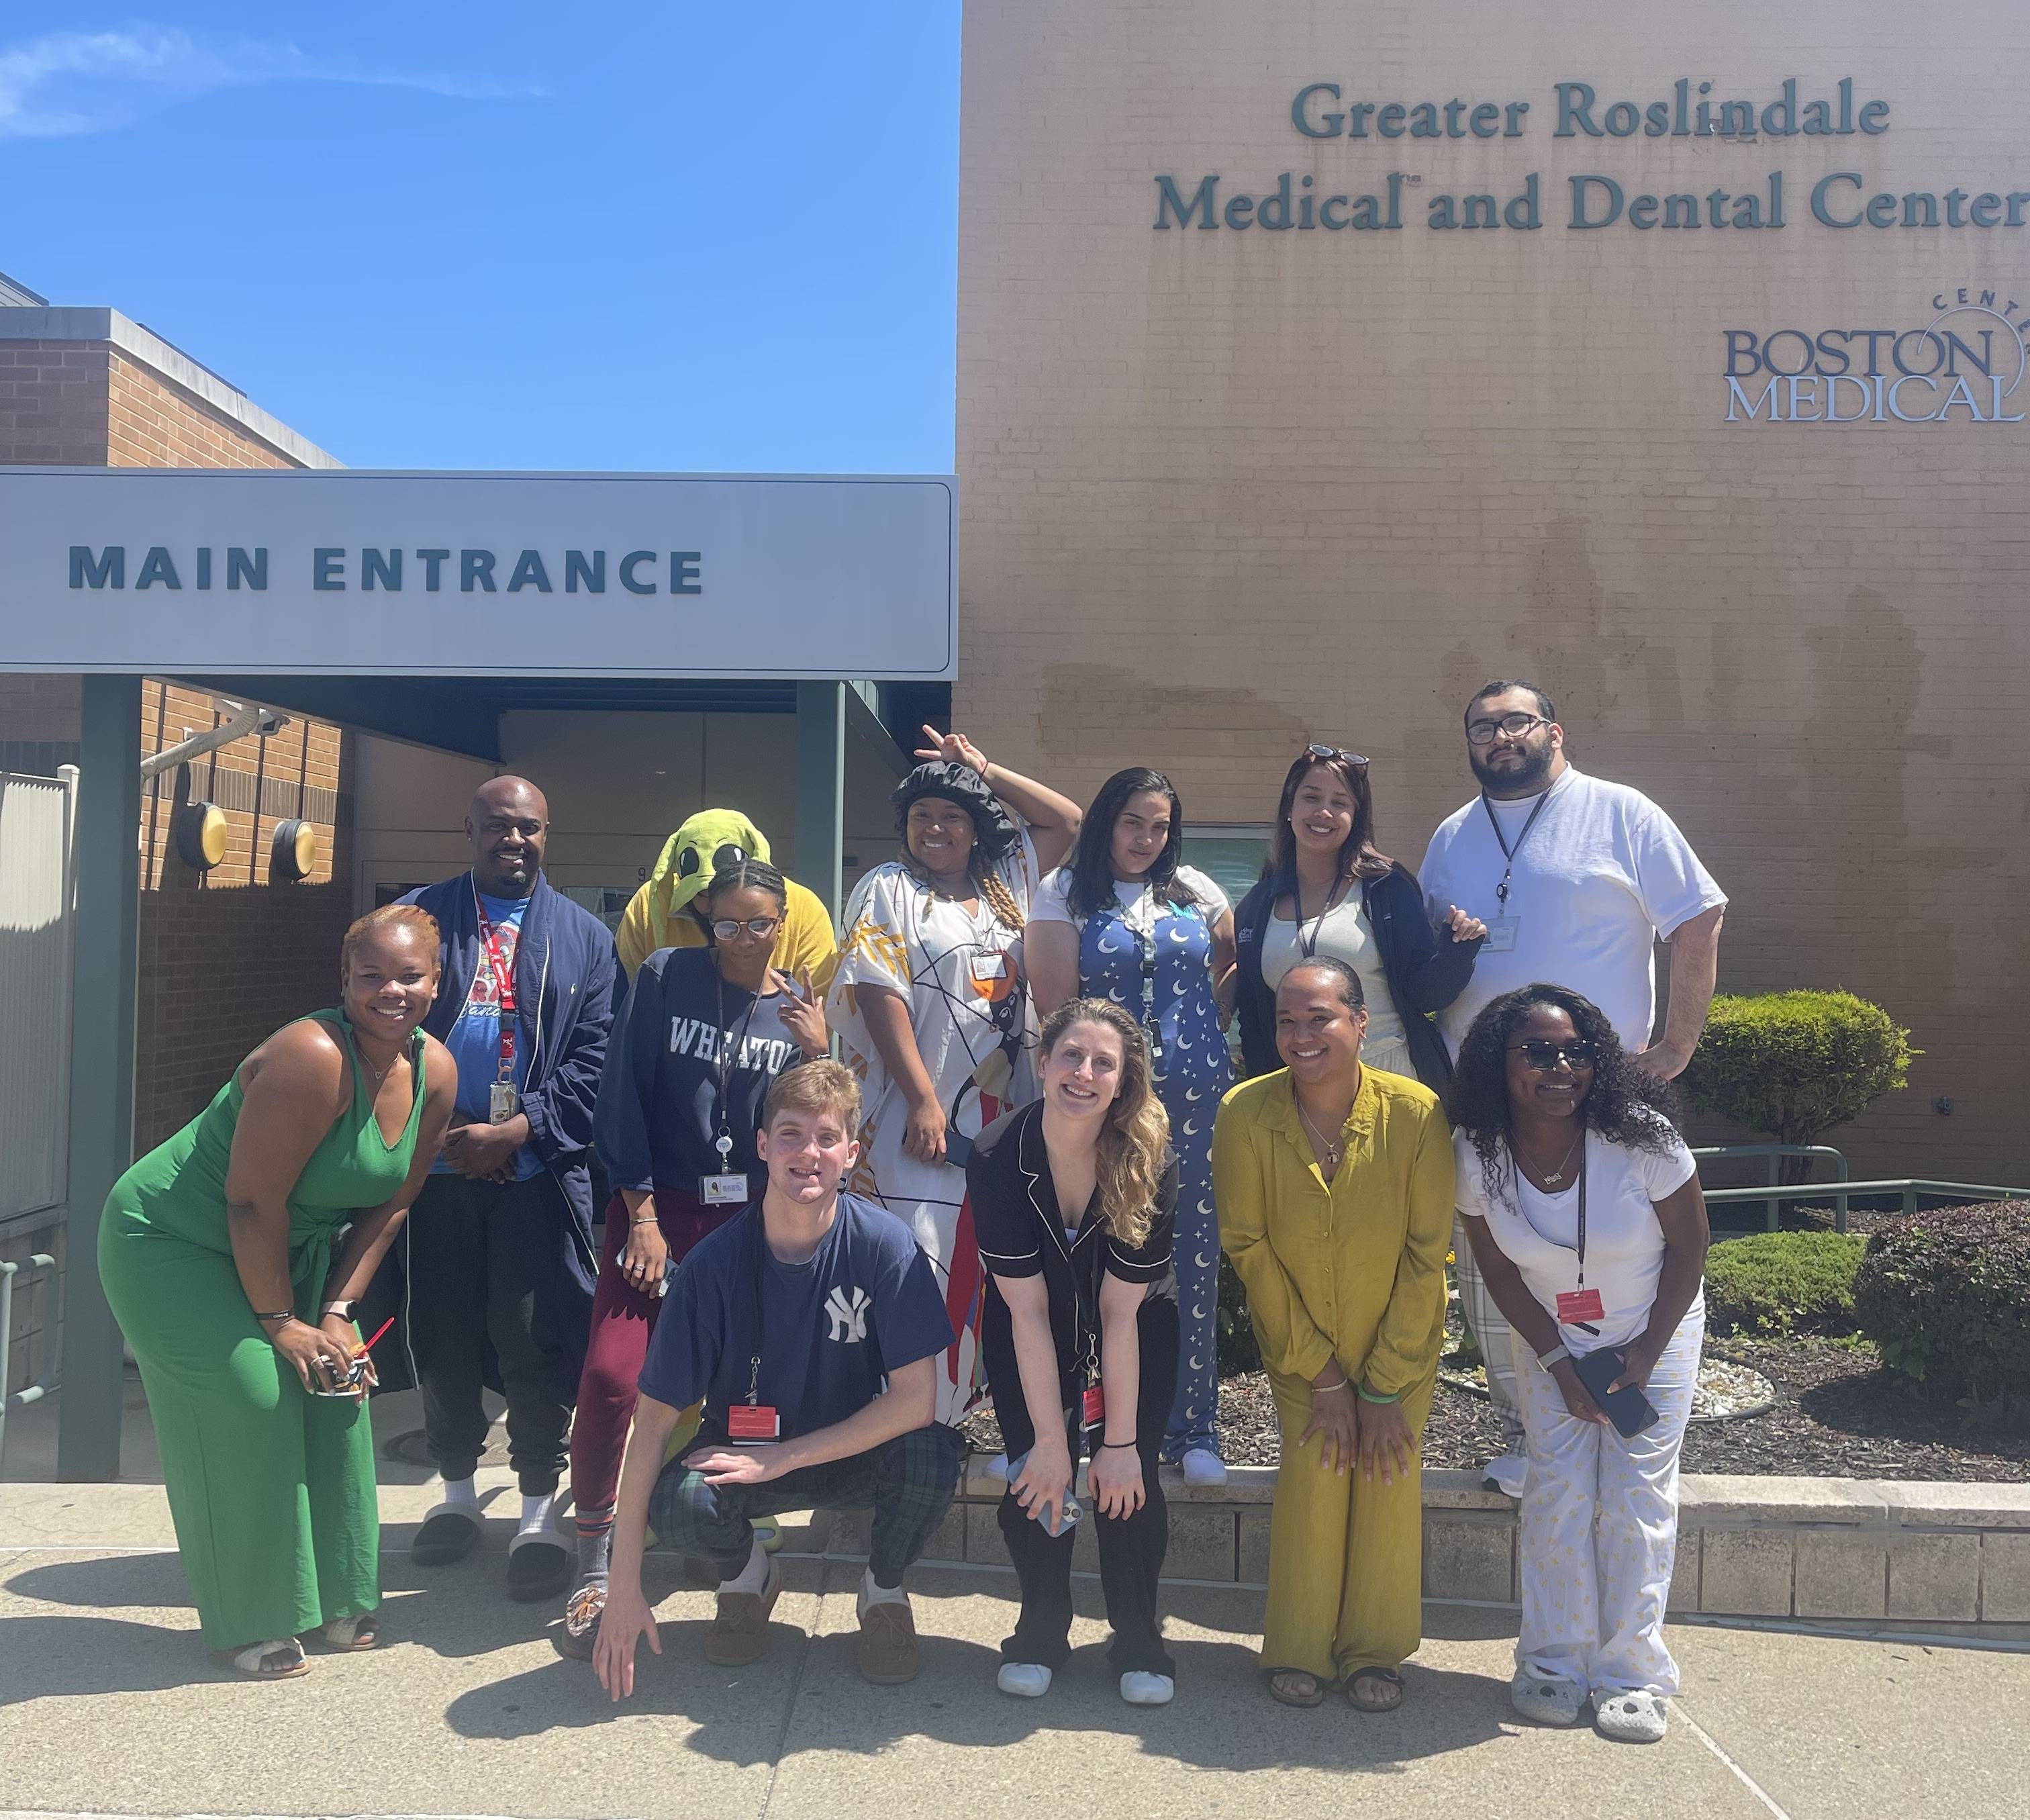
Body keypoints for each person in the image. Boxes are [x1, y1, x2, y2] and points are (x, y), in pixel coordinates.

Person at [97, 906, 456, 1676]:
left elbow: (390, 1205)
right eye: (371, 976)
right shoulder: (310, 1055)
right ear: (344, 981)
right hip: (174, 1242)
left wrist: (333, 1314)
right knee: (253, 1398)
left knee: (339, 1383)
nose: (390, 991)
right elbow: (249, 1202)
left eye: (409, 976)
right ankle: (249, 1618)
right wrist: (280, 1322)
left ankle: (335, 1599)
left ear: (437, 980)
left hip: (282, 1249)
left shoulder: (438, 1071)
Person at [1419, 682, 1726, 1497]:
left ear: (1554, 731)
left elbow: (1697, 916)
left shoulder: (1622, 812)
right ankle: (1533, 1436)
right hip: (1488, 1107)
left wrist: (1676, 1047)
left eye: (1515, 721)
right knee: (1502, 1274)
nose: (1499, 737)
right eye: (1482, 726)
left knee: (1614, 1257)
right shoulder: (1452, 836)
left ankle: (1628, 1410)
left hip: (1595, 1095)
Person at [592, 1061, 963, 1694]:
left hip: (847, 1450)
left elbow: (915, 1402)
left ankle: (883, 1591)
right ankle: (748, 1577)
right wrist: (622, 1588)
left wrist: (784, 1458)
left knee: (932, 1456)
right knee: (679, 1501)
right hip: (743, 1452)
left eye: (826, 1138)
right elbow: (651, 1425)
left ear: (851, 1153)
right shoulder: (711, 1266)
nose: (807, 1153)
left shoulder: (885, 1247)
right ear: (762, 1146)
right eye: (790, 1134)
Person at [556, 858, 830, 1657]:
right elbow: (622, 1093)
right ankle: (595, 1561)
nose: (744, 938)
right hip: (659, 1209)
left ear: (785, 923)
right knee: (614, 1375)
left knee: (744, 1391)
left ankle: (731, 1540)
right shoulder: (667, 974)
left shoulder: (793, 1007)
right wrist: (638, 1211)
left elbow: (817, 1132)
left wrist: (815, 1049)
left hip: (747, 1222)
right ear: (706, 922)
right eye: (728, 923)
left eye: (761, 923)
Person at [1448, 984, 1710, 1744]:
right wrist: (1561, 1361)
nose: (1560, 1066)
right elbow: (1498, 1273)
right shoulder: (1478, 1152)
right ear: (1502, 1062)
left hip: (1652, 1329)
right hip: (1552, 1339)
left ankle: (1632, 1674)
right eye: (1539, 1050)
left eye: (1576, 1050)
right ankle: (1553, 1664)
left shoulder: (1642, 1137)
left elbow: (1690, 1250)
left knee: (1634, 1499)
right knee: (1558, 1494)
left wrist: (1645, 1351)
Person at [399, 776, 621, 1600]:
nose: (513, 840)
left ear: (547, 831)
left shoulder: (585, 937)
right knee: (444, 1333)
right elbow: (382, 1029)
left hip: (536, 1175)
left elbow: (595, 1061)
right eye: (497, 826)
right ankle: (456, 1494)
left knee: (534, 1336)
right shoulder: (419, 920)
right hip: (438, 1169)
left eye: (528, 827)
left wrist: (517, 1129)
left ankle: (536, 1507)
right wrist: (448, 1135)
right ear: (469, 828)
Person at [1212, 957, 1453, 1713]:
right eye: (1287, 1019)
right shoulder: (1245, 1112)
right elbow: (1246, 1244)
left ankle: (1373, 1652)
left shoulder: (1416, 1113)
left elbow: (1427, 1253)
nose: (1301, 1033)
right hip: (1299, 1351)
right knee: (1317, 1480)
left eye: (1320, 1016)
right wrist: (1320, 1372)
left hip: (1400, 1351)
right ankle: (1298, 1647)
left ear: (1360, 1022)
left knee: (1384, 1481)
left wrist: (1382, 1385)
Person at [826, 725, 1082, 1425]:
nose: (935, 829)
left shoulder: (1010, 887)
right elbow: (880, 993)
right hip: (916, 1125)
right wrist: (922, 1100)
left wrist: (982, 766)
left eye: (951, 817)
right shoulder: (889, 888)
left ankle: (956, 1416)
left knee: (990, 1267)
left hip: (1002, 1122)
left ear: (976, 830)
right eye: (921, 817)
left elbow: (1067, 819)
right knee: (918, 1262)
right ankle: (904, 1421)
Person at [968, 999, 1181, 1705]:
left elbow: (1119, 1313)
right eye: (1071, 1055)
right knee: (1038, 1473)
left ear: (1123, 1081)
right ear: (1042, 1061)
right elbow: (1025, 1308)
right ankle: (1041, 1628)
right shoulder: (999, 1151)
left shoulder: (1151, 1156)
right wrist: (1052, 1444)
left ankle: (1138, 1635)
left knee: (1130, 1479)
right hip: (1031, 1323)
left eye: (1104, 1062)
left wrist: (1115, 1442)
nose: (1084, 1072)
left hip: (1134, 1326)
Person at [1026, 767, 1232, 1486]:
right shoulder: (1063, 893)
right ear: (1108, 821)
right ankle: (1081, 1423)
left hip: (1197, 1106)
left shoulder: (1197, 891)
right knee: (1098, 1256)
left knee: (1195, 1257)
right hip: (1106, 1105)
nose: (1146, 838)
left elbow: (1223, 976)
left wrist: (1198, 1052)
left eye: (1160, 825)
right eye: (1133, 822)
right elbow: (1055, 1004)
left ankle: (1194, 1423)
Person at [1232, 745, 1484, 1090]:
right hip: (1297, 1089)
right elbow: (1254, 1018)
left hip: (1390, 1079)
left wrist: (1458, 953)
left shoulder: (1386, 887)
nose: (1324, 812)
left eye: (1340, 803)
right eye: (1311, 797)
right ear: (1289, 808)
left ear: (1356, 817)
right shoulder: (1256, 906)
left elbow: (1425, 995)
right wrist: (1260, 1097)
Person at [615, 807, 838, 986]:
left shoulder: (805, 907)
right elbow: (627, 990)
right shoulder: (651, 903)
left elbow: (816, 1006)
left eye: (758, 923)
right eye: (703, 894)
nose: (716, 911)